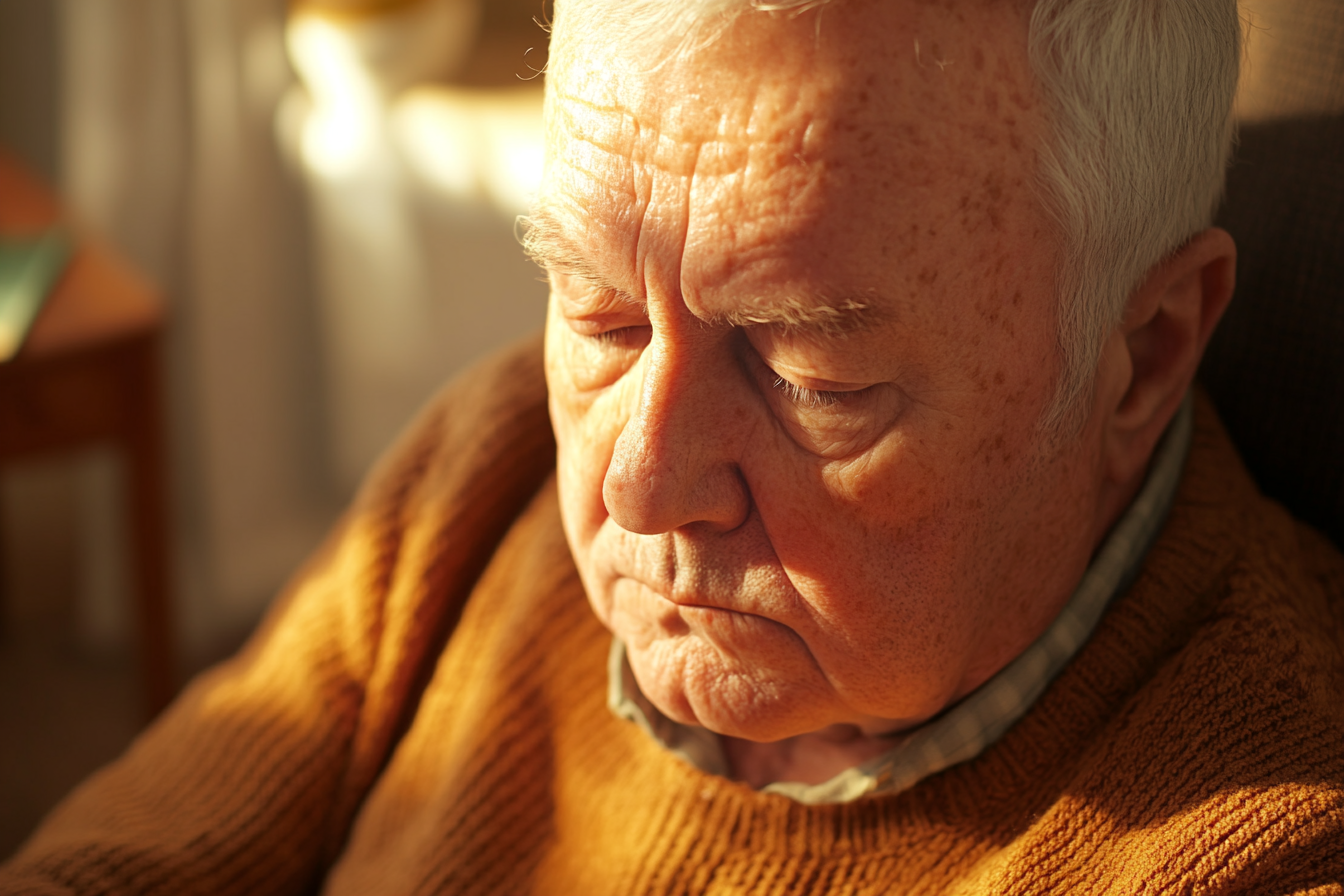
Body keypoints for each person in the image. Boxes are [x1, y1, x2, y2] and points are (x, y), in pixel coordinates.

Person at [4, 0, 1342, 892]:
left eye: (813, 372)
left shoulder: (1271, 841)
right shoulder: (493, 466)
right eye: (596, 309)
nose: (636, 477)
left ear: (1147, 351)